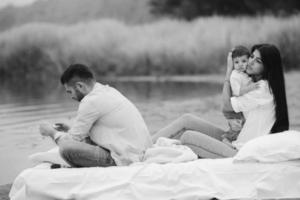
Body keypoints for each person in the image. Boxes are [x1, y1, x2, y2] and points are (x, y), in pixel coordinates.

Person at [152, 44, 289, 158]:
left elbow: (227, 106)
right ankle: (144, 147)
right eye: (252, 56)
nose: (251, 62)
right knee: (187, 119)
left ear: (268, 67)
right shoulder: (251, 82)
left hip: (240, 152)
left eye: (258, 61)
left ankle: (144, 151)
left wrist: (229, 70)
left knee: (188, 137)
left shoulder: (263, 88)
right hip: (235, 141)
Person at [39, 64, 153, 167]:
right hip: (139, 150)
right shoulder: (107, 91)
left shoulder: (90, 101)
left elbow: (70, 142)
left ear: (79, 86)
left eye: (70, 92)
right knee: (74, 143)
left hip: (125, 158)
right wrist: (70, 128)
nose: (71, 97)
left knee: (66, 149)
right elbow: (101, 130)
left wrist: (51, 132)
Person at [221, 45, 259, 145]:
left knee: (241, 126)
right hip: (232, 109)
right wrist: (251, 88)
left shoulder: (244, 73)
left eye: (244, 61)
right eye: (236, 62)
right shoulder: (235, 75)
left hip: (237, 108)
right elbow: (237, 92)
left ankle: (233, 138)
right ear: (232, 63)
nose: (240, 64)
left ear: (248, 60)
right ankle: (226, 139)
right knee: (237, 127)